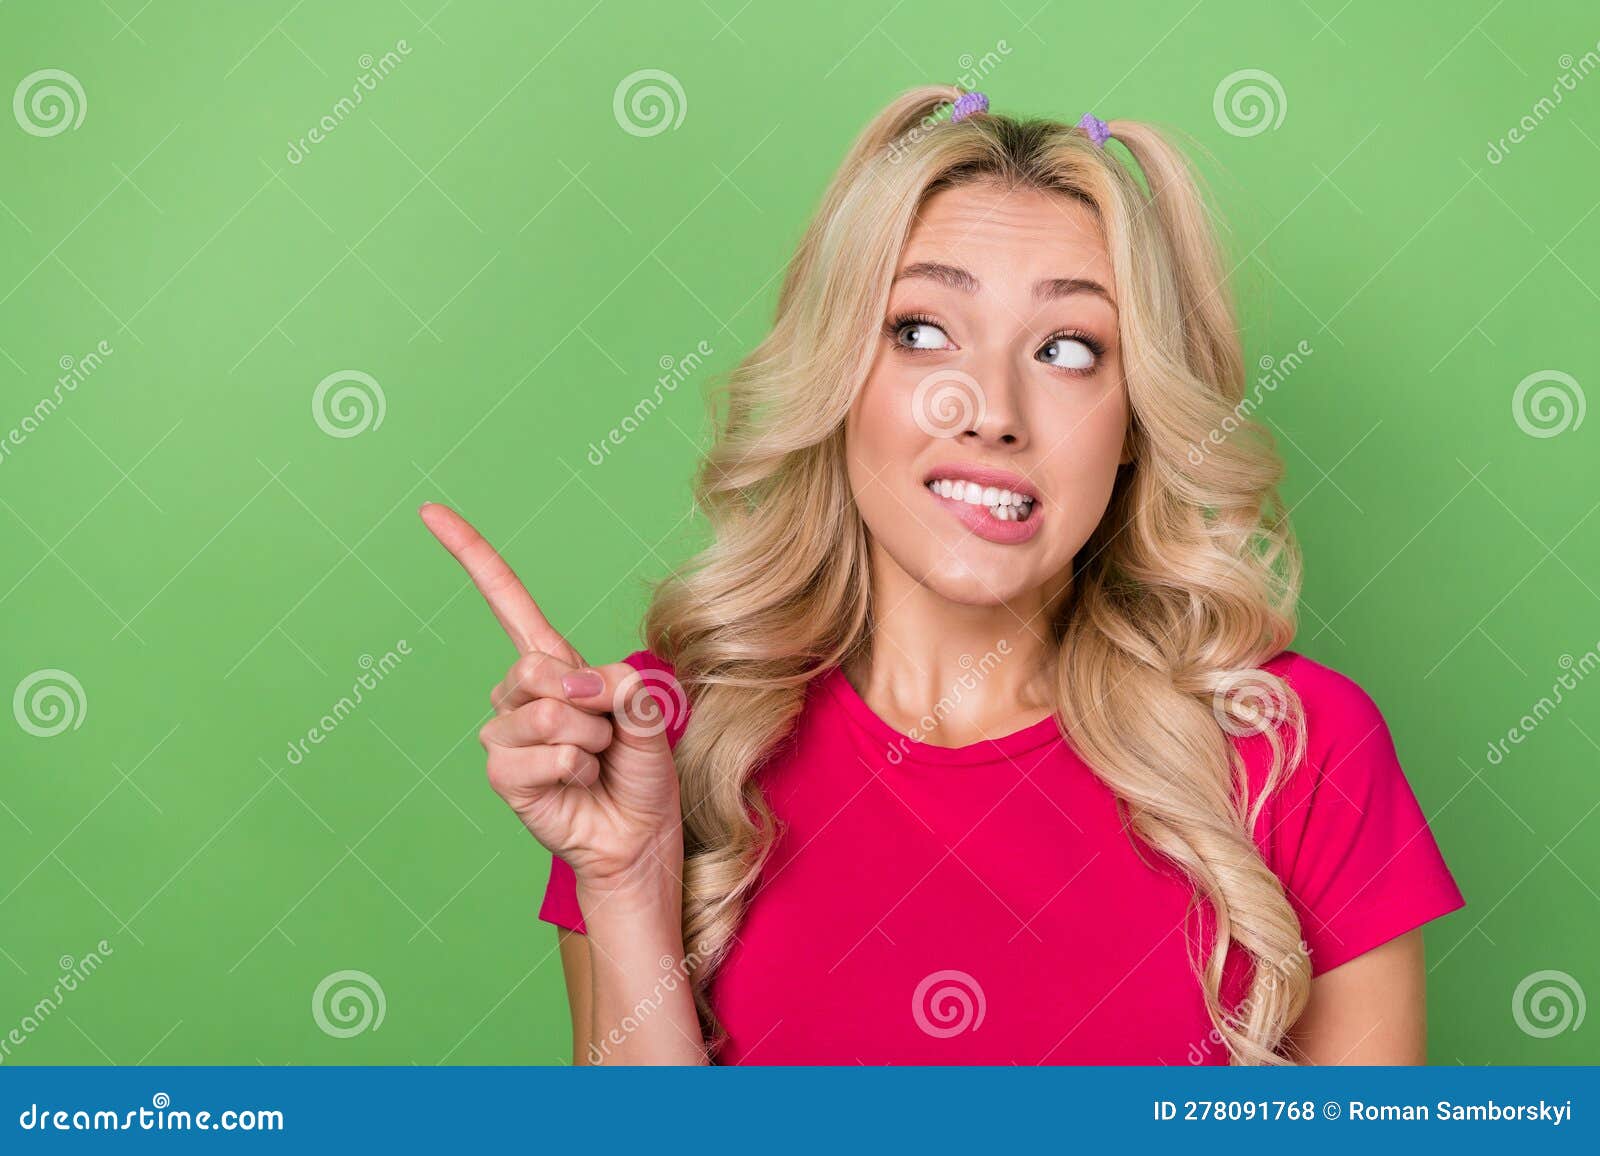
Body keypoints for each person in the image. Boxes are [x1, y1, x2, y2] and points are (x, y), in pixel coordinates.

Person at [420, 85, 1465, 1065]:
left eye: (1068, 348)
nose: (991, 408)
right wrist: (623, 884)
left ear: (1137, 421)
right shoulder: (659, 743)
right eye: (922, 332)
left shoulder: (1297, 750)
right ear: (840, 378)